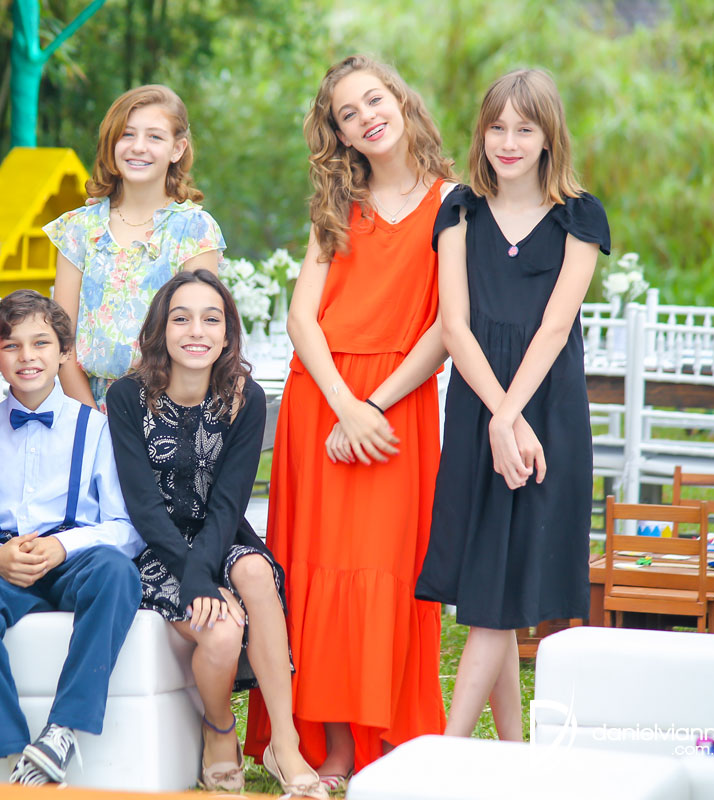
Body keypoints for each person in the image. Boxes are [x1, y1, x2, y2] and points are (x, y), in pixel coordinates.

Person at [244, 56, 454, 782]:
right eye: (347, 113)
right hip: (323, 400)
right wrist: (344, 406)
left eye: (374, 99)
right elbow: (302, 318)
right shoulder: (338, 204)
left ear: (401, 99)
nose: (367, 116)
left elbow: (446, 328)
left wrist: (372, 407)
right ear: (338, 134)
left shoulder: (455, 202)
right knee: (321, 569)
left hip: (397, 406)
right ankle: (331, 744)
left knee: (386, 568)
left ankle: (384, 737)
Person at [415, 69, 609, 739]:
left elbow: (556, 327)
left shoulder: (580, 215)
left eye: (525, 129)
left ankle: (448, 751)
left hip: (547, 410)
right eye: (497, 127)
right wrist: (499, 418)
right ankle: (513, 752)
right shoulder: (459, 211)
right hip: (478, 406)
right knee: (488, 585)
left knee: (498, 594)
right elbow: (454, 326)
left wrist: (514, 418)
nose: (508, 141)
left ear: (549, 136)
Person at [106, 270, 326, 798]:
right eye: (181, 319)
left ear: (227, 333)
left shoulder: (243, 399)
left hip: (221, 535)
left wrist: (207, 570)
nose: (196, 331)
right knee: (222, 633)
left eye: (211, 319)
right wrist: (195, 577)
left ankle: (284, 742)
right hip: (153, 549)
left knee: (255, 571)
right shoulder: (127, 397)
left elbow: (228, 504)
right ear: (160, 330)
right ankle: (220, 727)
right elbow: (143, 507)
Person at [0, 290, 144, 786]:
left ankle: (63, 729)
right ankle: (8, 756)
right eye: (11, 346)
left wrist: (62, 547)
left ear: (64, 353)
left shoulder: (96, 429)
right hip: (6, 564)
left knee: (117, 573)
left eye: (41, 343)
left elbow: (125, 526)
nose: (27, 356)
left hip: (75, 560)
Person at [46, 84, 225, 411]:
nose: (138, 147)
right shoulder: (79, 228)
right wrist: (94, 424)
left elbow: (198, 337)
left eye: (154, 137)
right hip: (87, 406)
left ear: (177, 149)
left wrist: (157, 422)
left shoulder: (195, 230)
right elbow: (63, 343)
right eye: (127, 134)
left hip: (169, 407)